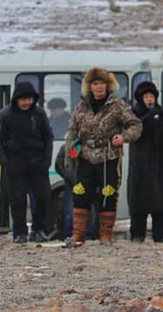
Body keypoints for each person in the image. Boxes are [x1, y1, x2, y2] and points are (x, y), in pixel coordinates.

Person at [65, 67, 143, 246]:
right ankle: (78, 235)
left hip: (109, 156)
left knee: (108, 194)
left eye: (102, 83)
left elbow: (135, 125)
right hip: (84, 157)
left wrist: (123, 137)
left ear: (108, 85)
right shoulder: (82, 106)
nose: (99, 87)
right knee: (81, 194)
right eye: (95, 83)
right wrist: (71, 147)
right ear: (89, 86)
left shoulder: (117, 105)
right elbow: (72, 128)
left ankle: (105, 235)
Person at [0, 82, 54, 243]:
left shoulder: (39, 113)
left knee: (43, 197)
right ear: (16, 99)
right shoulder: (5, 115)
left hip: (38, 163)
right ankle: (19, 232)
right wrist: (5, 162)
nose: (27, 103)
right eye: (23, 99)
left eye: (30, 99)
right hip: (15, 163)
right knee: (17, 200)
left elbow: (48, 137)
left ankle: (38, 229)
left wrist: (46, 160)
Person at [128, 81, 163, 243]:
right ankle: (137, 233)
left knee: (160, 202)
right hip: (139, 164)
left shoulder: (161, 113)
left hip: (159, 163)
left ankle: (160, 233)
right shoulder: (133, 113)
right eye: (146, 96)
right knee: (138, 202)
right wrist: (149, 116)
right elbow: (136, 131)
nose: (149, 99)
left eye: (151, 96)